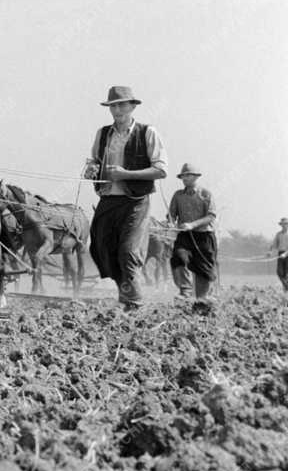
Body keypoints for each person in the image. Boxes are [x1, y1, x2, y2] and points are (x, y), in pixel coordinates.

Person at [83, 86, 168, 310]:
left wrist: (126, 174)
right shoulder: (102, 134)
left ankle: (134, 304)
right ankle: (126, 292)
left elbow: (160, 170)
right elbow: (94, 161)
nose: (118, 109)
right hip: (108, 199)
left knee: (129, 251)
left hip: (136, 201)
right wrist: (91, 169)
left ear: (132, 106)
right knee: (103, 248)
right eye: (113, 105)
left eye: (122, 105)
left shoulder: (147, 133)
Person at [167, 163, 217, 312]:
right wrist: (170, 223)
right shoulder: (177, 195)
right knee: (178, 258)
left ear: (196, 177)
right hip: (185, 236)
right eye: (183, 176)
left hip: (204, 236)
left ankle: (201, 299)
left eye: (188, 175)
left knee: (204, 269)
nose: (185, 178)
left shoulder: (206, 194)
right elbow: (171, 215)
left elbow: (211, 216)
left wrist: (192, 224)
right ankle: (185, 291)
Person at [270, 218, 288, 291]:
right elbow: (274, 244)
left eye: (286, 224)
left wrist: (285, 254)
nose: (284, 225)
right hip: (280, 254)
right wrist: (270, 252)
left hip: (287, 254)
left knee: (286, 273)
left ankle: (286, 290)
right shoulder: (278, 234)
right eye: (283, 224)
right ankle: (286, 287)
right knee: (279, 272)